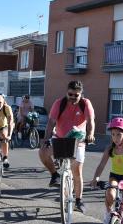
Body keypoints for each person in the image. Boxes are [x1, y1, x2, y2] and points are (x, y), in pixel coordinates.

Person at [39, 80, 95, 214]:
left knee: (77, 171)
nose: (73, 97)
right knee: (43, 152)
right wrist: (46, 139)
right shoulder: (59, 103)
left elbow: (90, 121)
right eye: (71, 94)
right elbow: (51, 122)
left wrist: (91, 134)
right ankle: (54, 175)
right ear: (66, 92)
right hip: (59, 139)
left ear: (81, 94)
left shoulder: (85, 103)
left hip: (78, 141)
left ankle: (78, 200)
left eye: (76, 95)